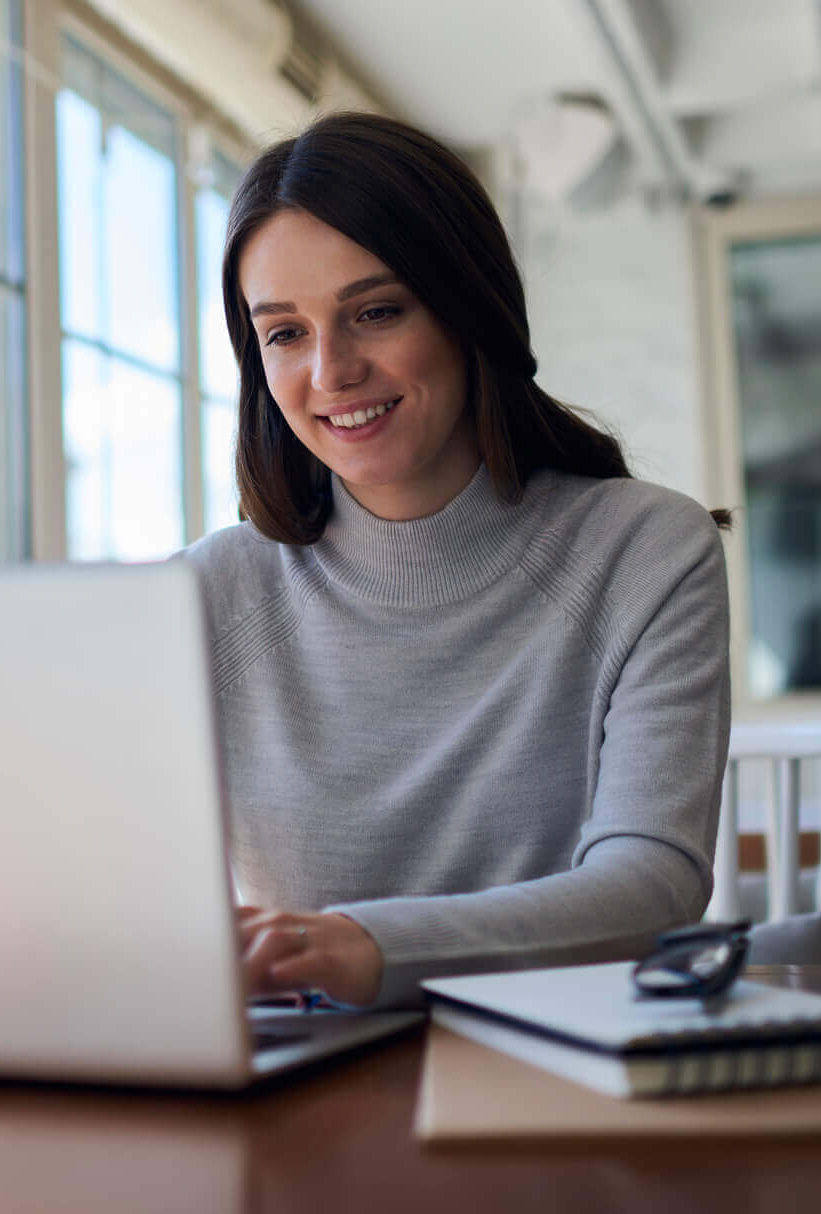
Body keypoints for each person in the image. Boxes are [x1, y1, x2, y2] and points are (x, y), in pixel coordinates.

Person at [182, 112, 731, 1009]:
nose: (331, 371)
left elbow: (654, 883)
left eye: (376, 312)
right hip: (299, 1077)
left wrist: (365, 944)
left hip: (559, 1064)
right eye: (284, 333)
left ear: (467, 307)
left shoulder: (644, 550)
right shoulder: (205, 592)